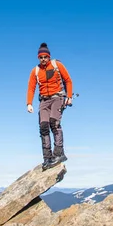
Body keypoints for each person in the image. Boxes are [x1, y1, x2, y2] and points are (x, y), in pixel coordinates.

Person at [27, 42, 74, 170]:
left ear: (49, 56)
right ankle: (47, 158)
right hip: (44, 101)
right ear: (38, 58)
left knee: (54, 122)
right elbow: (31, 88)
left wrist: (69, 97)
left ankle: (59, 153)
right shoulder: (35, 71)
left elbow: (68, 80)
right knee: (43, 126)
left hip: (57, 97)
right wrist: (29, 103)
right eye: (41, 57)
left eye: (45, 57)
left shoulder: (57, 65)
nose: (43, 59)